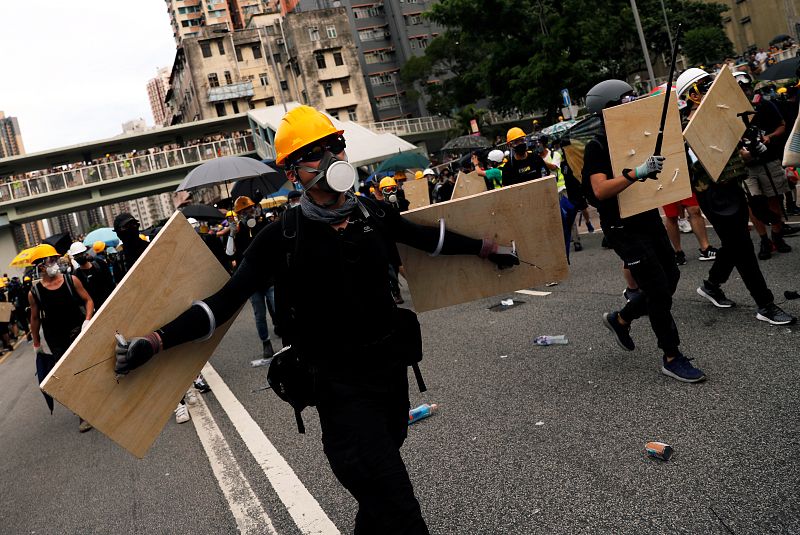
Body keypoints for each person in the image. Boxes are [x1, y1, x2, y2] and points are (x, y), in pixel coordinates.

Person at [114, 105, 519, 534]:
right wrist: (155, 342)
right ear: (293, 173)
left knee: (379, 503)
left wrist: (487, 250)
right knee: (399, 506)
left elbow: (428, 240)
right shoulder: (281, 237)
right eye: (314, 153)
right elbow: (223, 302)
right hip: (338, 392)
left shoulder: (371, 214)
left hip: (390, 377)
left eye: (334, 146)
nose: (329, 159)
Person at [582, 79, 705, 383]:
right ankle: (672, 356)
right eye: (626, 99)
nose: (633, 103)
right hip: (622, 226)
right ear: (608, 108)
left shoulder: (635, 135)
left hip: (646, 216)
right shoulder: (597, 146)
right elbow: (600, 189)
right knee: (658, 290)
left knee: (671, 276)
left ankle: (621, 319)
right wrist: (635, 173)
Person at [678, 68, 796, 325]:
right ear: (691, 94)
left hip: (732, 187)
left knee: (735, 243)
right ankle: (765, 304)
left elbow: (735, 155)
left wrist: (753, 149)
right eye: (703, 85)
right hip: (713, 194)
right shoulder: (688, 129)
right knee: (742, 248)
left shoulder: (720, 117)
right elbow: (702, 163)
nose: (709, 88)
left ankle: (711, 285)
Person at [28, 245, 95, 431]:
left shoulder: (70, 280)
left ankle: (96, 401)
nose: (55, 263)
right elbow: (34, 319)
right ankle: (83, 413)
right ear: (41, 266)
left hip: (77, 332)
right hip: (56, 340)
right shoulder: (35, 293)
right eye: (50, 260)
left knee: (86, 369)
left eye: (55, 259)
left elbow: (88, 300)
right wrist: (36, 343)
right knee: (69, 375)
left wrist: (87, 320)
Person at [734, 71, 798, 259]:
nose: (743, 91)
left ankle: (777, 236)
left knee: (774, 199)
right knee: (754, 203)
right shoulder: (729, 111)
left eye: (746, 87)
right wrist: (740, 149)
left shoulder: (765, 105)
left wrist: (768, 138)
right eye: (739, 87)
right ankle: (764, 240)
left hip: (769, 160)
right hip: (746, 165)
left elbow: (782, 125)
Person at [233, 195, 276, 358]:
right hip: (252, 283)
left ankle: (291, 338)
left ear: (255, 208)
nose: (247, 213)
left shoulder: (263, 224)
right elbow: (232, 254)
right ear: (238, 214)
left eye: (249, 209)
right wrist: (231, 235)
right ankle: (266, 343)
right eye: (242, 211)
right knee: (260, 314)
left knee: (279, 307)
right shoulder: (238, 232)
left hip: (269, 277)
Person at [68, 242, 115, 310]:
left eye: (81, 254)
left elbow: (111, 284)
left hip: (111, 303)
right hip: (95, 311)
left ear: (85, 253)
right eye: (76, 255)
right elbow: (80, 299)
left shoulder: (100, 264)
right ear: (74, 258)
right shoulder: (76, 276)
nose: (79, 256)